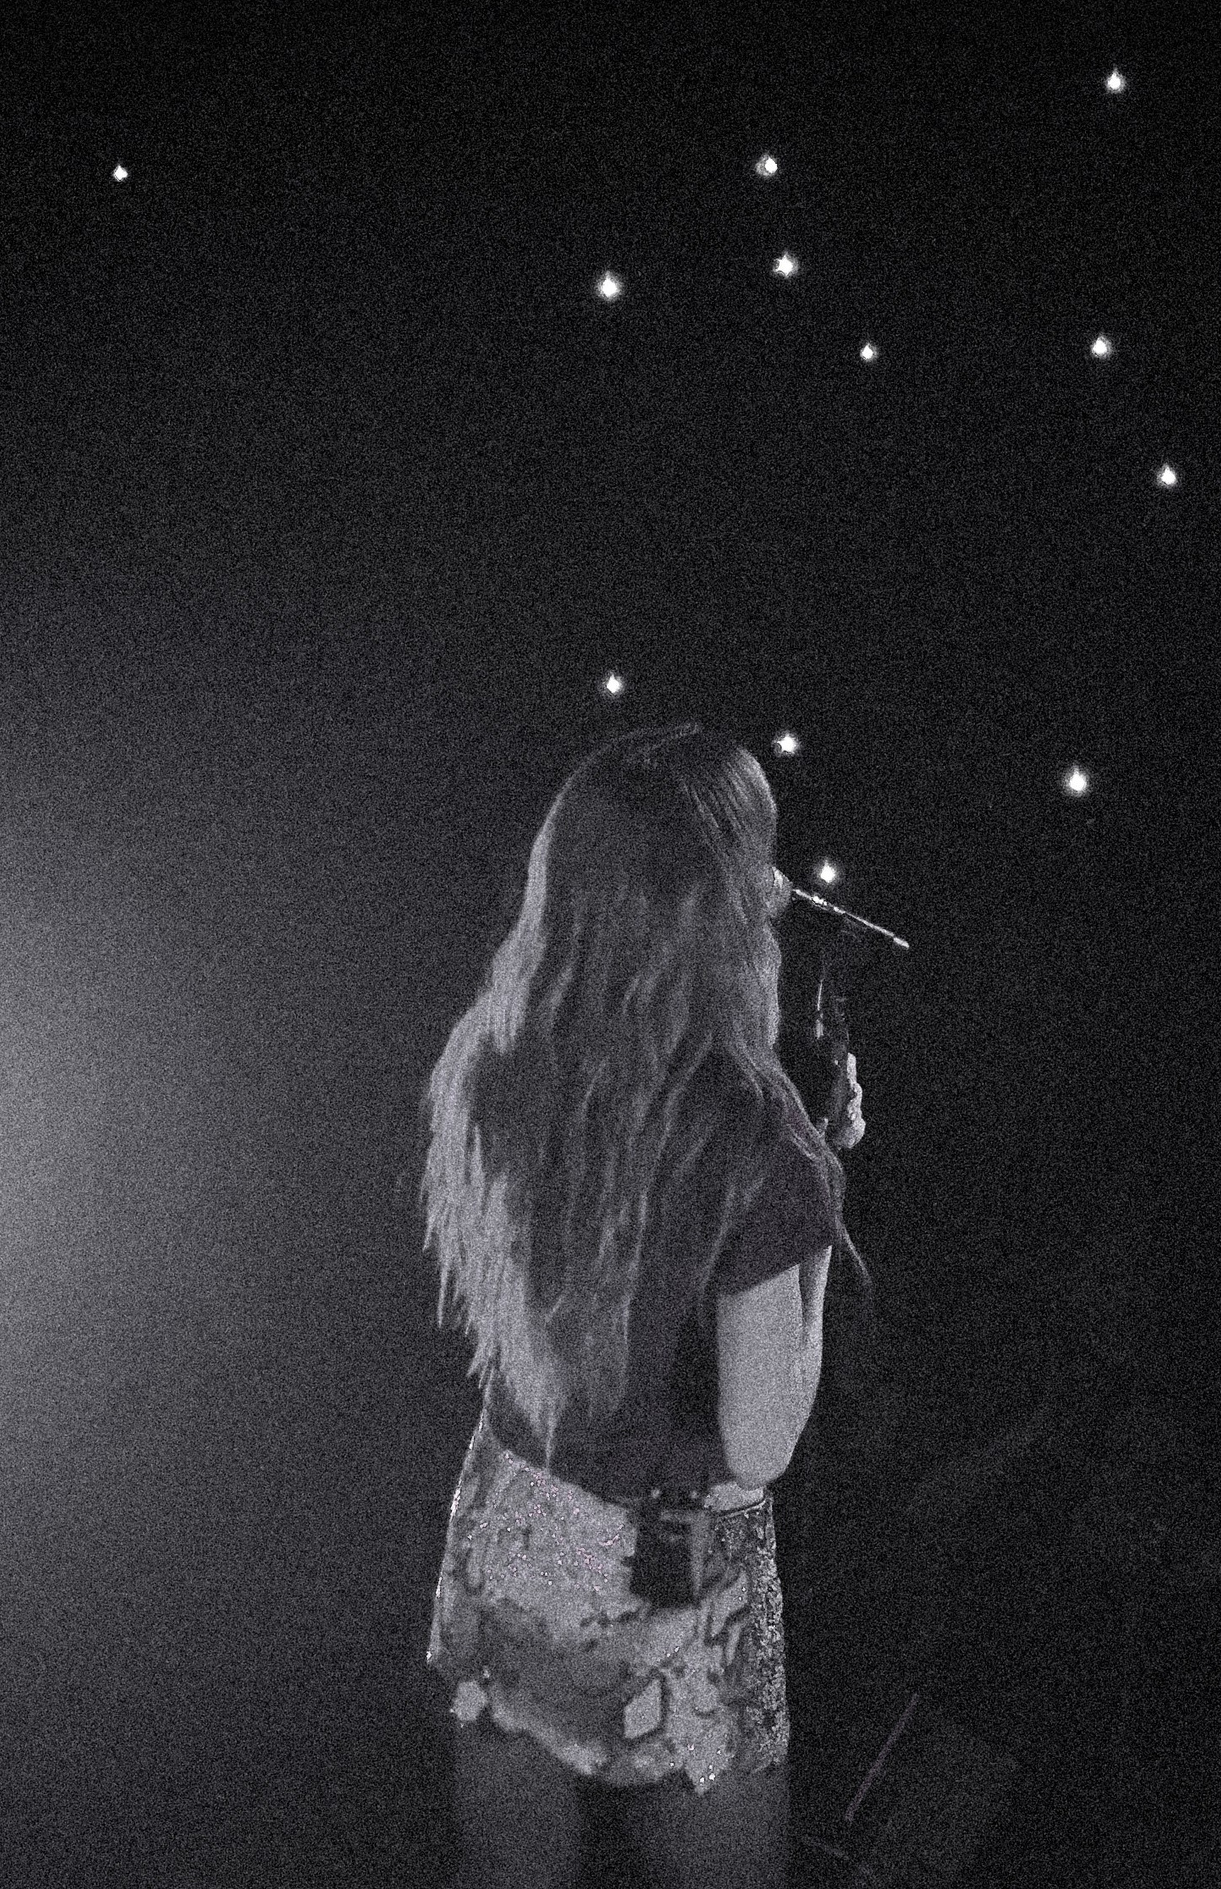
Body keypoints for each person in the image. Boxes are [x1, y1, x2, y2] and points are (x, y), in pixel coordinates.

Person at [415, 724, 872, 1887]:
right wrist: (817, 1188)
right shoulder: (759, 1143)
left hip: (516, 1525)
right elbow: (761, 1439)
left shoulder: (492, 1055)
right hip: (674, 1570)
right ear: (720, 899)